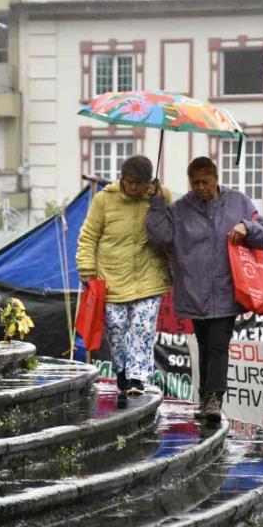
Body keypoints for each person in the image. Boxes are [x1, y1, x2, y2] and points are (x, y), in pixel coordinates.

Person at [146, 156, 263, 421]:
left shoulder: (238, 202)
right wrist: (156, 202)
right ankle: (206, 398)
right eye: (194, 182)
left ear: (216, 178)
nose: (200, 186)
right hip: (194, 291)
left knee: (218, 345)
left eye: (205, 181)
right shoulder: (179, 209)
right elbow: (159, 237)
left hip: (227, 290)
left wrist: (246, 226)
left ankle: (214, 397)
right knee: (205, 345)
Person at [76, 155, 172, 404]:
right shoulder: (103, 200)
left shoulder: (160, 197)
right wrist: (86, 266)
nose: (133, 188)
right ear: (122, 179)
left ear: (148, 182)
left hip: (149, 277)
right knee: (116, 327)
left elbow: (171, 230)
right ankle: (122, 371)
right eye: (128, 182)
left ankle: (138, 379)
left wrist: (159, 201)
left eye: (138, 184)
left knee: (142, 327)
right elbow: (88, 237)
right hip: (111, 277)